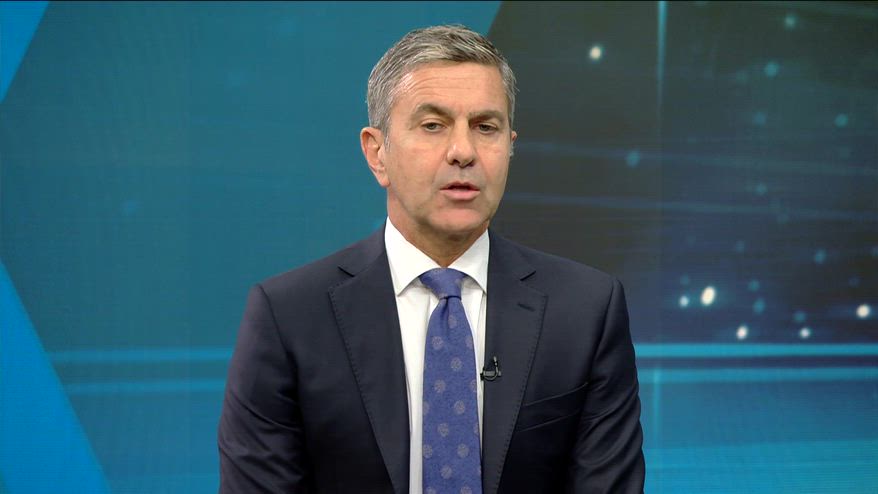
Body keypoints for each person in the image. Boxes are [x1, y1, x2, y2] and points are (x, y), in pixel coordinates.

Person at [218, 24, 645, 493]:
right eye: (433, 125)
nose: (463, 152)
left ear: (510, 146)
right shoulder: (289, 317)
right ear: (377, 153)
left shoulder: (585, 310)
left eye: (485, 127)